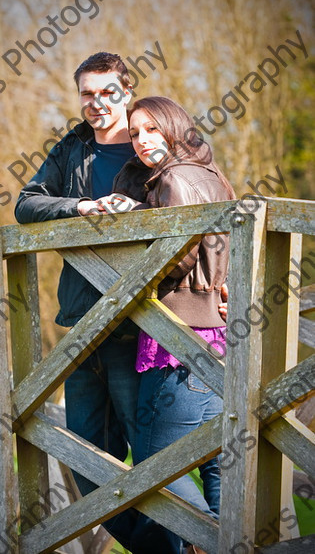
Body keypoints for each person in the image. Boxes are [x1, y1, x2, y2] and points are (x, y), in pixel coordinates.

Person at [14, 54, 184, 553]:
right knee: (87, 461)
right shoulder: (73, 148)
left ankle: (184, 545)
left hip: (143, 325)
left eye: (107, 92)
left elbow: (193, 201)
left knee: (154, 459)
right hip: (82, 324)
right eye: (87, 93)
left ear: (126, 91)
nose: (96, 103)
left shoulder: (152, 141)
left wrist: (142, 215)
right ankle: (164, 549)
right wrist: (81, 206)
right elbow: (27, 203)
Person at [107, 96, 236, 554]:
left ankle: (202, 544)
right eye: (136, 133)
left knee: (154, 465)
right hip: (218, 336)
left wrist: (132, 221)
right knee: (218, 463)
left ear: (174, 128)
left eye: (152, 130)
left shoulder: (174, 178)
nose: (142, 141)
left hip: (177, 337)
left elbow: (175, 256)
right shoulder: (212, 175)